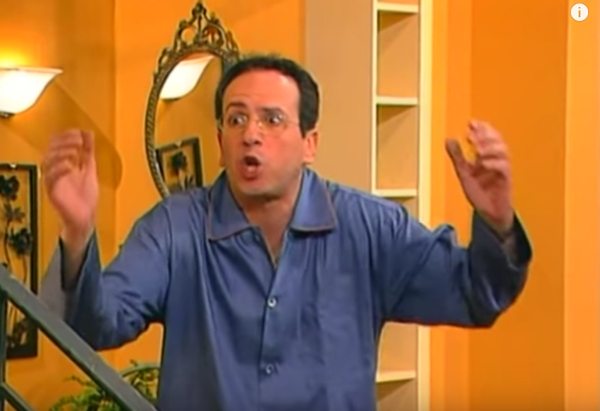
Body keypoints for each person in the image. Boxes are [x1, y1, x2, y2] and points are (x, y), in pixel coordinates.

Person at [41, 54, 532, 411]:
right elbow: (95, 325)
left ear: (309, 143)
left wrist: (497, 221)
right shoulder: (174, 228)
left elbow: (476, 295)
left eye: (272, 120)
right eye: (236, 119)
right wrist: (77, 232)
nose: (251, 134)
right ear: (220, 141)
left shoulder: (370, 229)